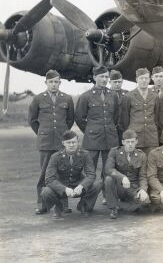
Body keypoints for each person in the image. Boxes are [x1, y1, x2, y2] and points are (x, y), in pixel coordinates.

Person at [28, 69, 74, 215]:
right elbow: (32, 120)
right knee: (44, 174)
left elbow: (70, 120)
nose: (54, 84)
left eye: (56, 82)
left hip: (61, 142)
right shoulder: (38, 99)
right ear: (46, 83)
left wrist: (62, 134)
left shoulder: (67, 99)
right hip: (45, 142)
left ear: (60, 82)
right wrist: (43, 133)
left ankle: (63, 204)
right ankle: (42, 204)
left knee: (62, 173)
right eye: (51, 82)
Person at [75, 66, 120, 204]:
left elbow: (116, 117)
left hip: (110, 139)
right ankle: (87, 201)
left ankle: (109, 198)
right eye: (101, 77)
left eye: (106, 77)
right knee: (90, 172)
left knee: (109, 171)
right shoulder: (86, 96)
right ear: (94, 77)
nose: (105, 79)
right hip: (92, 140)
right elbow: (79, 118)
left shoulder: (113, 95)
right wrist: (90, 131)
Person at [41, 130, 102, 218]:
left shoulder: (85, 154)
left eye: (74, 142)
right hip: (61, 186)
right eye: (68, 142)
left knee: (98, 184)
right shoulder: (55, 157)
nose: (71, 145)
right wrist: (64, 189)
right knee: (46, 192)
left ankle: (83, 205)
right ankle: (59, 206)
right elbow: (49, 179)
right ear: (63, 143)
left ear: (78, 142)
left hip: (77, 184)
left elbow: (91, 174)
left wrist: (82, 186)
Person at [104, 129, 150, 219]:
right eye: (127, 142)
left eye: (132, 142)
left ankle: (121, 205)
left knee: (145, 201)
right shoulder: (115, 152)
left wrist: (143, 189)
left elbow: (143, 176)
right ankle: (114, 208)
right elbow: (108, 169)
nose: (130, 144)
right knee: (108, 179)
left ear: (136, 142)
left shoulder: (141, 155)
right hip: (119, 186)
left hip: (133, 188)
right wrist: (122, 177)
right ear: (123, 142)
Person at [121, 68, 161, 155]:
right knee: (136, 162)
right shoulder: (129, 96)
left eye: (146, 78)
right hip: (135, 136)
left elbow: (157, 116)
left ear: (149, 80)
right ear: (136, 80)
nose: (144, 80)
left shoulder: (155, 96)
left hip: (151, 136)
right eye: (141, 78)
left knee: (152, 161)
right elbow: (125, 118)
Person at [109, 70, 128, 146]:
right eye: (115, 82)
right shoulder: (105, 94)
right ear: (110, 82)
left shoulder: (127, 94)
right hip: (110, 129)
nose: (117, 84)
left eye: (119, 82)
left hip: (124, 129)